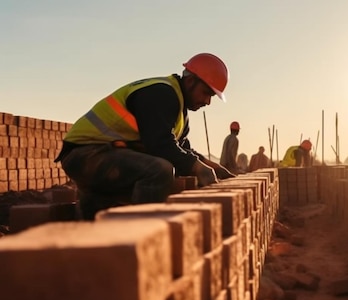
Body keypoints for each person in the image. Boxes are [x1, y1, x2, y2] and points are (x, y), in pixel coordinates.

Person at [54, 53, 236, 220]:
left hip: (106, 156)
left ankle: (95, 214)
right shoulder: (161, 93)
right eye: (206, 93)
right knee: (159, 170)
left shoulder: (179, 109)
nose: (207, 101)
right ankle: (141, 234)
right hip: (85, 155)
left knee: (101, 222)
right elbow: (159, 145)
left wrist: (216, 168)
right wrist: (199, 169)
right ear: (191, 82)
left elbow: (183, 150)